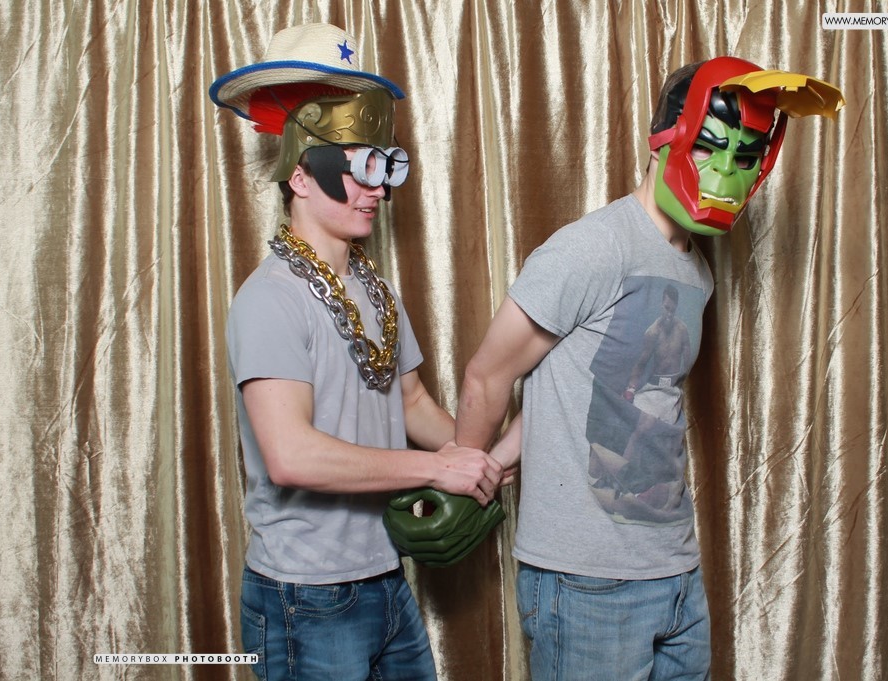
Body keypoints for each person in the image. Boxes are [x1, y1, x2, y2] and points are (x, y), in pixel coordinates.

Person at [456, 57, 844, 680]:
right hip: (587, 582)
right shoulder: (591, 248)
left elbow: (584, 387)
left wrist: (501, 461)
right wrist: (464, 480)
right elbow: (487, 376)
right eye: (711, 145)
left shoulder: (697, 271)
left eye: (745, 155)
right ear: (668, 137)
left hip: (674, 570)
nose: (725, 170)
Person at [209, 23, 503, 680]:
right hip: (305, 596)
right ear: (302, 177)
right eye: (362, 170)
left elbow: (412, 401)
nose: (379, 190)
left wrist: (478, 458)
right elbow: (291, 455)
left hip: (385, 576)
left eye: (386, 167)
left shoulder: (375, 288)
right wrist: (437, 470)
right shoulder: (270, 299)